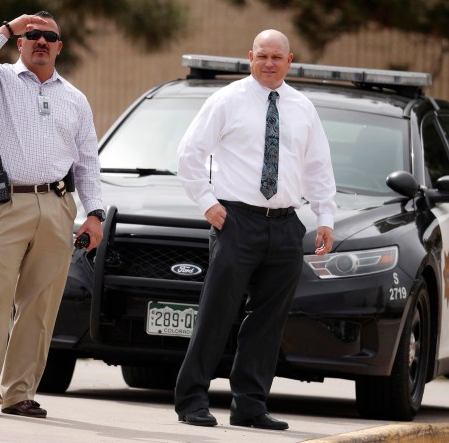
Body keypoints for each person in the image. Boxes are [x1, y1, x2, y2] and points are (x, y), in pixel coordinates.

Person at [174, 29, 336, 430]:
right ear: (250, 56)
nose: (269, 63)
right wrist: (207, 204)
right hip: (236, 222)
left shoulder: (302, 108)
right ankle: (192, 399)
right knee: (217, 312)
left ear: (289, 60)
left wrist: (326, 218)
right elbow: (189, 153)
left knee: (268, 321)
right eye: (262, 55)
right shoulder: (226, 100)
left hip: (284, 227)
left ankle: (250, 403)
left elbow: (318, 167)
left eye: (276, 57)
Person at [0, 11, 105, 418]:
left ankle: (19, 392)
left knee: (40, 307)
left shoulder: (75, 98)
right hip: (5, 203)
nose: (40, 40)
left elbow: (87, 162)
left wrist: (94, 214)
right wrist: (6, 27)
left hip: (57, 207)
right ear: (20, 42)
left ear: (59, 46)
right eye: (32, 34)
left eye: (49, 36)